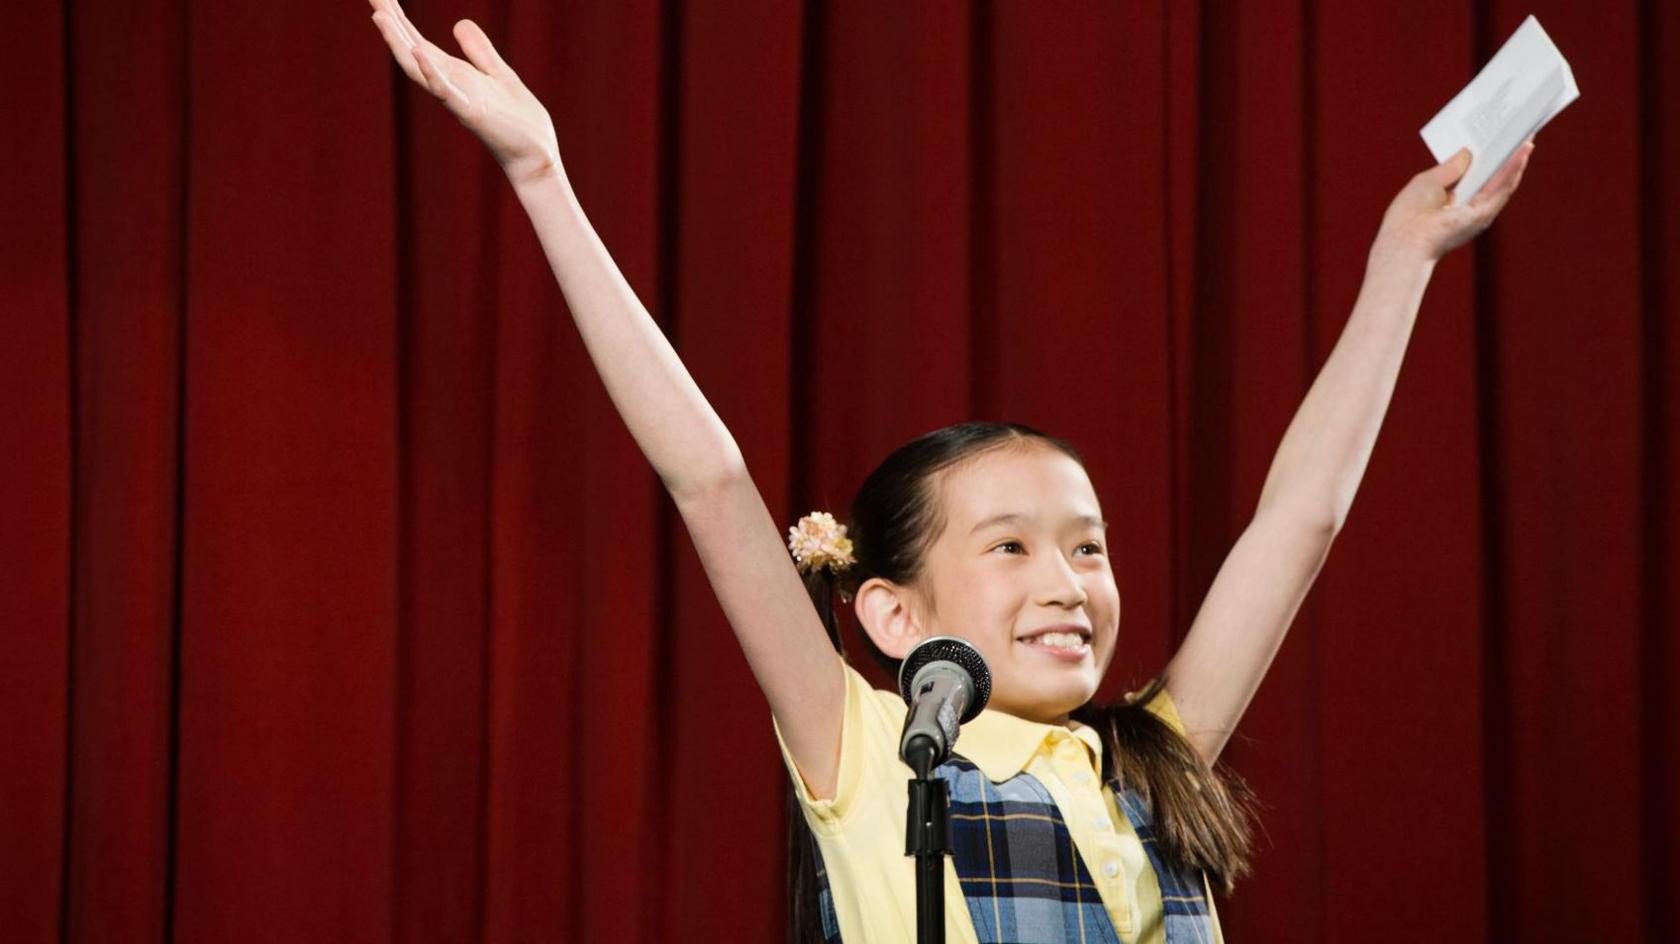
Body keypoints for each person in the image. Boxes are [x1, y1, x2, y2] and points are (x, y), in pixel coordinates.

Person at [367, 5, 1534, 942]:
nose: (1070, 578)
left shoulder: (1149, 755)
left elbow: (1301, 517)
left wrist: (1400, 260)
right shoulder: (865, 751)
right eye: (1011, 545)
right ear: (891, 610)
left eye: (1087, 544)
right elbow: (710, 479)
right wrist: (543, 180)